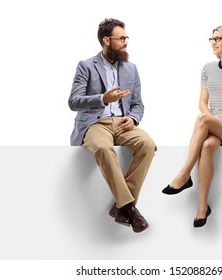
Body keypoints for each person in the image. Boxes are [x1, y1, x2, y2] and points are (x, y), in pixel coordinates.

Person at [162, 25, 222, 227]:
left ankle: (184, 174)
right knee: (207, 146)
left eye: (218, 39)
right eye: (212, 39)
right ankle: (203, 208)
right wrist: (211, 117)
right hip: (215, 124)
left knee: (201, 119)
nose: (213, 43)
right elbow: (202, 103)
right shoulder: (207, 69)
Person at [68, 18, 156, 233]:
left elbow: (138, 104)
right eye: (122, 38)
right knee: (104, 149)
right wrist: (102, 99)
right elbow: (73, 101)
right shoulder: (86, 66)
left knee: (148, 145)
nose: (126, 42)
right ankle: (128, 207)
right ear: (107, 40)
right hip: (95, 123)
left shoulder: (131, 69)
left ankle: (121, 207)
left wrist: (133, 118)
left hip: (124, 124)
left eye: (127, 37)